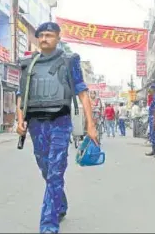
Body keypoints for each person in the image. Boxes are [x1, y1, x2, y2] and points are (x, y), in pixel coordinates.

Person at [16, 22, 98, 234]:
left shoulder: (69, 61)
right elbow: (20, 94)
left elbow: (82, 92)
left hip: (60, 123)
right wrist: (19, 120)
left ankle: (48, 225)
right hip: (35, 124)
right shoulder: (28, 64)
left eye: (49, 35)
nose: (44, 39)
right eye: (41, 35)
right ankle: (60, 203)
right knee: (46, 168)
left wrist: (91, 124)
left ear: (58, 38)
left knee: (55, 171)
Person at [145, 83, 155, 156]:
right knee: (153, 134)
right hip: (152, 118)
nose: (149, 90)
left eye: (151, 89)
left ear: (154, 89)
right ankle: (154, 150)